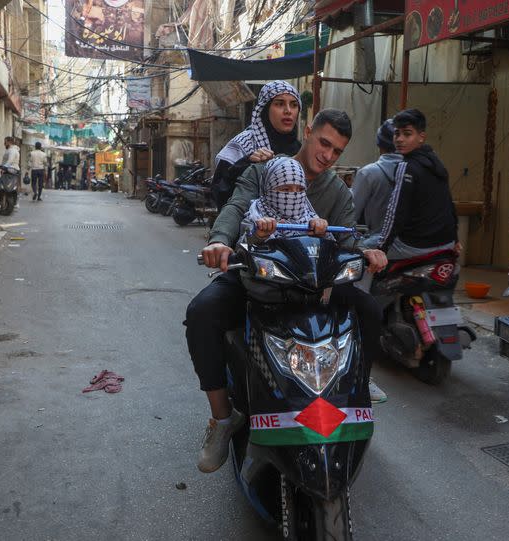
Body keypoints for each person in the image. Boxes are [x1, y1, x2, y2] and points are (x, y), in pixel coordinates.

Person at [186, 109, 388, 474]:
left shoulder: (337, 192)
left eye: (337, 151)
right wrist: (220, 242)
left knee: (369, 312)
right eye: (324, 143)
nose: (327, 155)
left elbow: (348, 238)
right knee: (202, 312)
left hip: (315, 285)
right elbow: (235, 209)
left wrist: (365, 253)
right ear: (308, 132)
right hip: (257, 278)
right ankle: (222, 418)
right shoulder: (263, 169)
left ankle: (356, 387)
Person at [377, 109, 459, 261]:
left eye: (407, 134)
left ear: (421, 137)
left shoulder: (406, 166)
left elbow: (395, 212)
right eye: (396, 134)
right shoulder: (435, 161)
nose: (400, 139)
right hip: (446, 243)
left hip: (415, 246)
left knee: (363, 251)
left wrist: (381, 248)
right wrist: (456, 239)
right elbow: (448, 203)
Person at [211, 81, 302, 211]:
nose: (288, 111)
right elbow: (218, 191)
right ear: (265, 108)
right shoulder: (244, 143)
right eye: (279, 104)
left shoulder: (298, 150)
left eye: (294, 105)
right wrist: (246, 163)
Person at [351, 119, 403, 247]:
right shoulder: (413, 169)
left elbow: (350, 214)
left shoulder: (368, 173)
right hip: (410, 245)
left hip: (378, 242)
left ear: (379, 144)